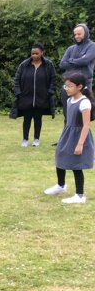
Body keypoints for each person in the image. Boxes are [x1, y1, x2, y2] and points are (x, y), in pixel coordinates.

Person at [44, 72, 94, 204]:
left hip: (79, 136)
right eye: (65, 86)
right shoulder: (69, 100)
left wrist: (80, 144)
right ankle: (61, 186)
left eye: (70, 86)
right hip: (68, 134)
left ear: (79, 87)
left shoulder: (84, 103)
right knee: (60, 156)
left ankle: (80, 195)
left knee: (76, 164)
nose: (67, 89)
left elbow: (86, 125)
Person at [12, 44, 56, 147]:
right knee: (26, 120)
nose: (34, 55)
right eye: (32, 53)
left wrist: (49, 92)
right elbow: (17, 80)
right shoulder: (24, 65)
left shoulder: (48, 65)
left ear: (42, 53)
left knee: (38, 119)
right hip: (26, 97)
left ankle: (36, 139)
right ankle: (25, 139)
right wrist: (18, 93)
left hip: (41, 98)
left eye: (36, 53)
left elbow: (53, 79)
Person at [59, 24, 95, 120]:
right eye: (75, 34)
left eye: (79, 34)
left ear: (86, 33)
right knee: (67, 113)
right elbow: (62, 64)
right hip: (68, 84)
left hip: (83, 84)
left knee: (82, 115)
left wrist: (70, 60)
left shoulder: (92, 46)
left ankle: (83, 130)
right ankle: (67, 129)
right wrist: (78, 60)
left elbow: (85, 61)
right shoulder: (71, 48)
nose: (77, 36)